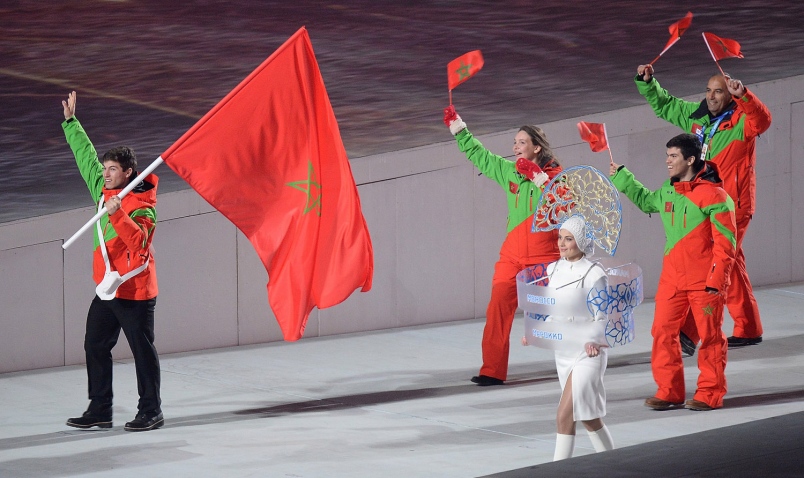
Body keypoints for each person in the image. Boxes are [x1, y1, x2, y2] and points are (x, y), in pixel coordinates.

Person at [635, 64, 771, 348]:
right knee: (731, 263)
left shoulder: (742, 121)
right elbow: (666, 106)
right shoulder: (697, 118)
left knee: (714, 261)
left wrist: (745, 95)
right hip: (702, 202)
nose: (711, 96)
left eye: (718, 91)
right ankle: (749, 327)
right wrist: (648, 83)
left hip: (732, 205)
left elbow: (763, 121)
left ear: (730, 95)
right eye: (708, 90)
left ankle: (689, 333)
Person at [610, 133, 736, 411]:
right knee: (662, 332)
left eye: (673, 156)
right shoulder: (669, 191)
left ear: (690, 159)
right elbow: (645, 201)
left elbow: (727, 245)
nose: (667, 161)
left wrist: (718, 279)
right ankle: (669, 391)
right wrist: (622, 176)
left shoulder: (716, 196)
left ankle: (710, 393)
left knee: (711, 337)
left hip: (705, 281)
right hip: (672, 279)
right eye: (667, 155)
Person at [62, 91, 164, 431]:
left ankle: (151, 410)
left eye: (113, 170)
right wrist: (71, 123)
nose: (105, 174)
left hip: (134, 291)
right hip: (108, 290)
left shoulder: (144, 205)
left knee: (141, 351)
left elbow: (140, 242)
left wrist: (118, 214)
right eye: (105, 169)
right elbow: (86, 158)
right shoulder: (101, 189)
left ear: (129, 172)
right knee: (95, 344)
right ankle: (100, 409)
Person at [444, 105, 562, 386]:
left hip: (545, 257)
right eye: (514, 142)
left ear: (537, 148)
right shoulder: (510, 172)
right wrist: (459, 128)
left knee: (552, 315)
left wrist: (538, 178)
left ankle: (579, 357)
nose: (515, 147)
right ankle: (492, 370)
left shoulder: (558, 176)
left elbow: (565, 206)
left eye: (522, 142)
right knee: (497, 306)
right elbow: (480, 155)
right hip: (512, 255)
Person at [525, 216, 614, 460]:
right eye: (560, 238)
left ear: (581, 241)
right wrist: (535, 332)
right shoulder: (554, 269)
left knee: (564, 415)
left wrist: (593, 341)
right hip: (563, 351)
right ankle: (615, 464)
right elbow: (555, 312)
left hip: (588, 354)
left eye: (568, 239)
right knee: (587, 417)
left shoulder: (595, 274)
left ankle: (557, 471)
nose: (561, 244)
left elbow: (601, 317)